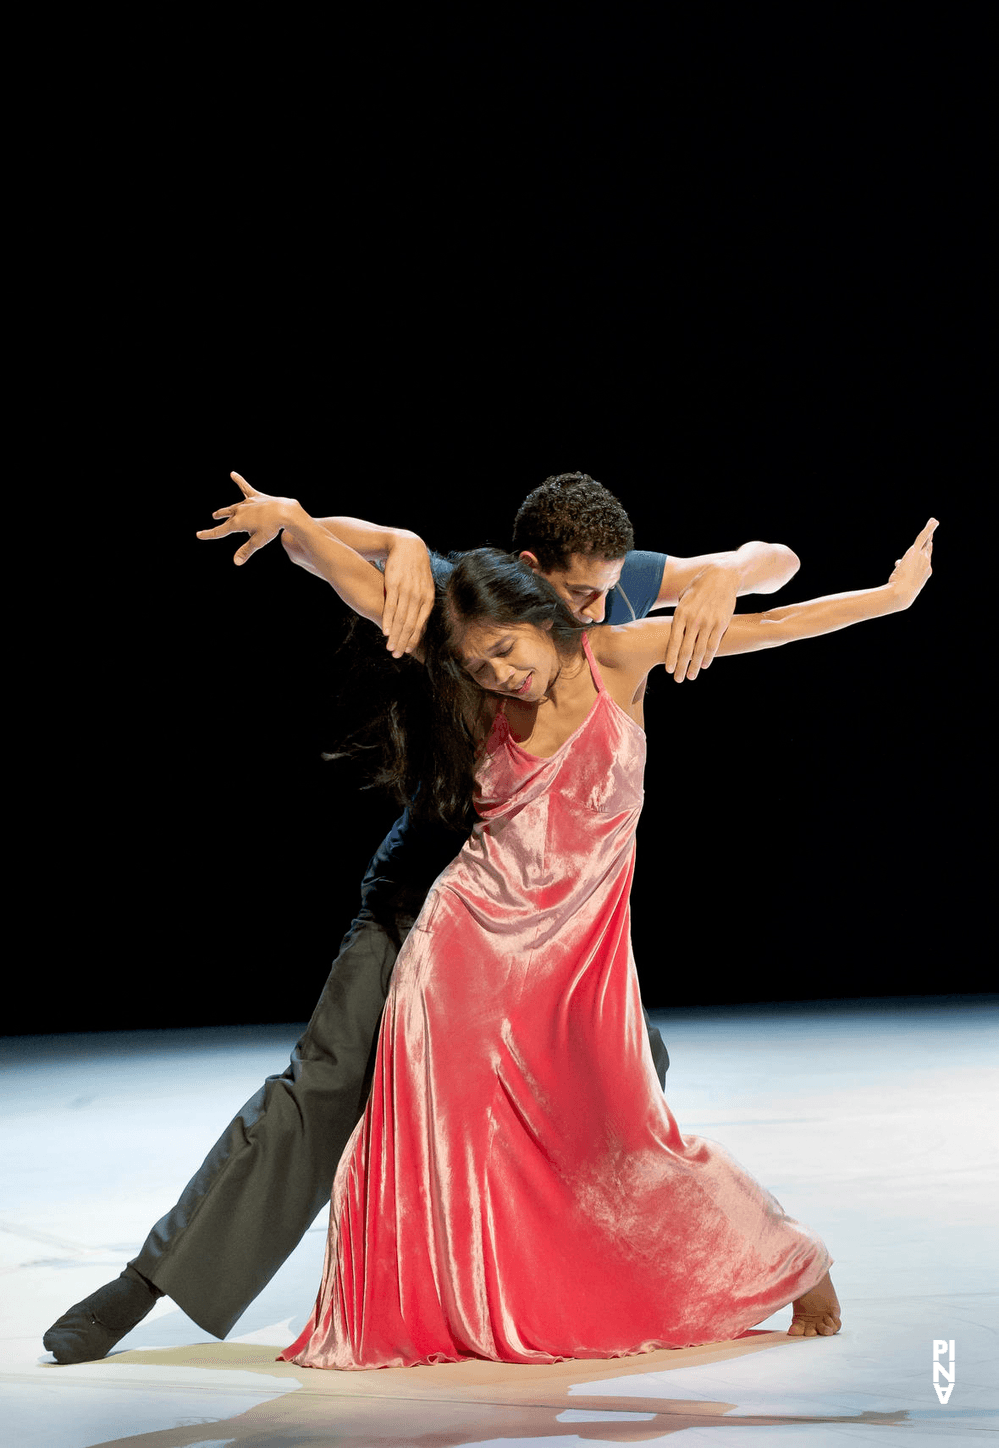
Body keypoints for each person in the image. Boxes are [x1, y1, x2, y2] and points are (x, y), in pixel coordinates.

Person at [43, 473, 802, 1364]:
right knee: (328, 1080)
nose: (596, 608)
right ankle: (149, 1282)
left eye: (607, 590)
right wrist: (382, 538)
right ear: (529, 571)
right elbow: (331, 546)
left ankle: (542, 1270)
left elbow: (779, 562)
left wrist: (727, 573)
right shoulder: (463, 594)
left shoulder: (609, 588)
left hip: (545, 924)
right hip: (427, 892)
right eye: (579, 593)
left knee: (636, 1063)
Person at [247, 508, 933, 1368]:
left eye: (508, 650)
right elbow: (343, 572)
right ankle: (456, 1311)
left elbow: (781, 619)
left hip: (584, 952)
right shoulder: (467, 662)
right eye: (478, 664)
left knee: (628, 1132)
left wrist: (889, 597)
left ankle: (791, 1261)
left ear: (545, 618)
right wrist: (289, 523)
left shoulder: (619, 653)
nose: (500, 674)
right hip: (464, 945)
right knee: (441, 1141)